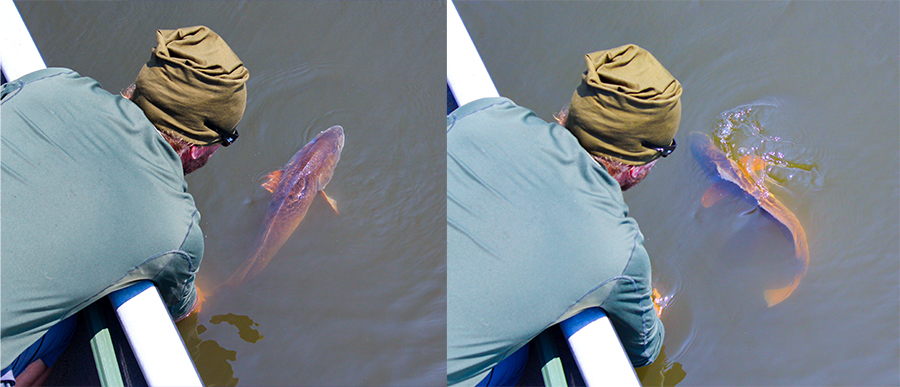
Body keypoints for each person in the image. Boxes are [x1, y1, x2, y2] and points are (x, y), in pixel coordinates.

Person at [0, 25, 249, 385]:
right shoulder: (175, 228)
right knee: (66, 329)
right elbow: (184, 311)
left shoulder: (51, 82)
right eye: (225, 139)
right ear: (197, 148)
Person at [447, 44, 682, 386]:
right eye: (665, 149)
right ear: (635, 169)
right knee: (520, 359)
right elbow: (646, 352)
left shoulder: (485, 113)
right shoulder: (619, 250)